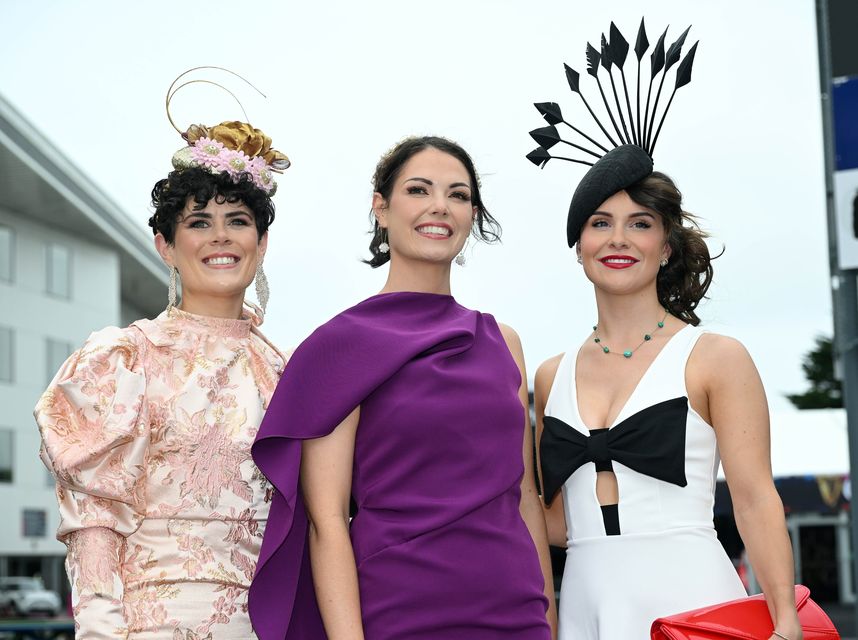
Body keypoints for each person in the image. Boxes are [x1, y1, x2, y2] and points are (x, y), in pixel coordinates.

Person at [527, 20, 802, 640]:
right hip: (584, 610)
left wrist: (784, 620)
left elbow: (756, 498)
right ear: (578, 247)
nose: (618, 239)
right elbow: (552, 522)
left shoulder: (715, 358)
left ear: (667, 244)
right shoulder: (550, 375)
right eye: (600, 223)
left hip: (693, 601)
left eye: (640, 223)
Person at [249, 136, 556, 640]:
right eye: (419, 190)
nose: (440, 206)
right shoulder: (339, 347)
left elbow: (523, 496)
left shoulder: (503, 341)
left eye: (458, 195)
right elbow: (326, 522)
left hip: (515, 610)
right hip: (400, 611)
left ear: (472, 215)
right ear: (381, 208)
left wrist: (549, 621)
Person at [35, 84, 291, 638]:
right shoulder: (123, 360)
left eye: (239, 220)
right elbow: (94, 522)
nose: (220, 236)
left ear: (262, 242)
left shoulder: (285, 372)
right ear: (165, 246)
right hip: (150, 626)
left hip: (269, 625)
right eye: (199, 222)